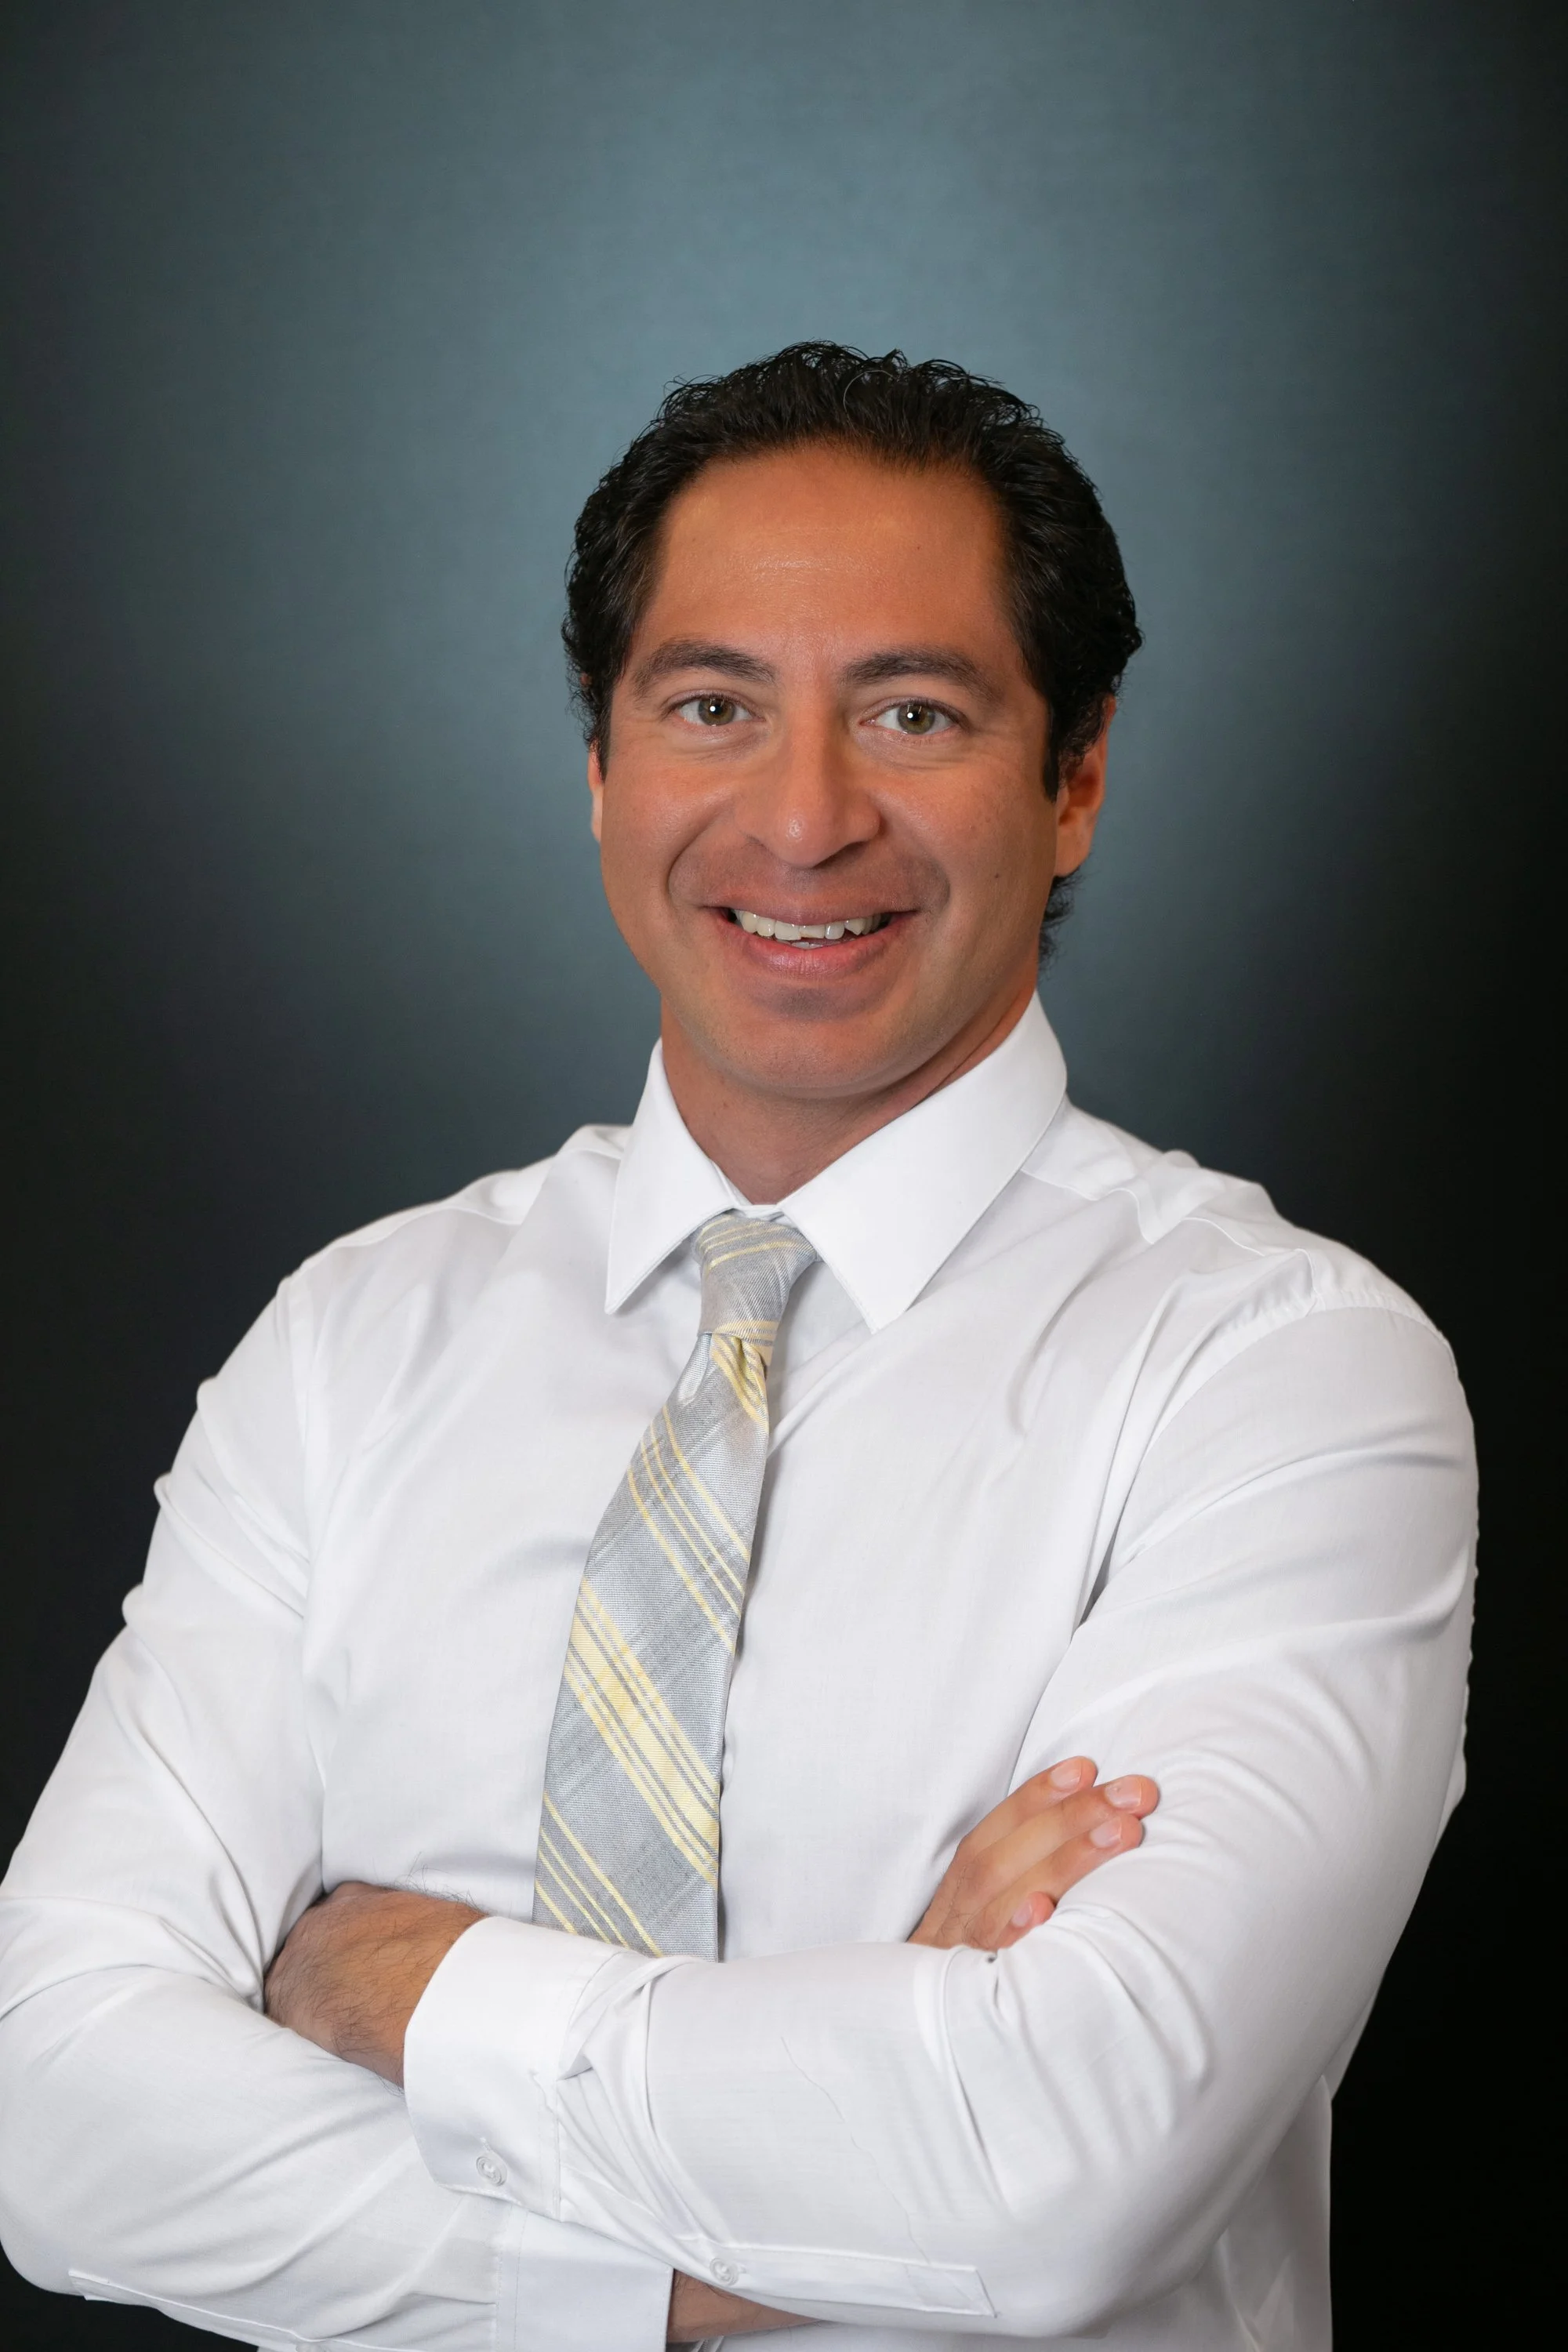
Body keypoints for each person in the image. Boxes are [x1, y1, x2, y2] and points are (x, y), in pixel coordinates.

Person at [0, 344, 1473, 2352]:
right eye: (711, 707)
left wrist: (403, 1993)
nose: (803, 817)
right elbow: (53, 2107)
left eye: (913, 710)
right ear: (600, 767)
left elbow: (1059, 2179)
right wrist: (769, 2202)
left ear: (1077, 783)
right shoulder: (355, 1341)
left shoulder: (1279, 1372)